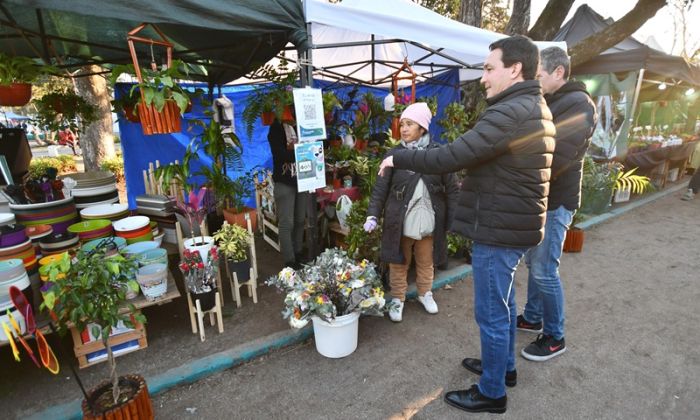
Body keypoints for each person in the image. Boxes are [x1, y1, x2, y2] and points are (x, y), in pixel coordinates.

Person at [378, 35, 555, 414]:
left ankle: (492, 392)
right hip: (510, 224)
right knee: (504, 306)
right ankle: (502, 368)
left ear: (515, 69)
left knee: (492, 312)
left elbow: (454, 155)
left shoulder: (511, 112)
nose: (483, 78)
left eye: (489, 69)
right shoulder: (529, 106)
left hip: (499, 227)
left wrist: (400, 158)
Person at [516, 47, 597, 362]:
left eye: (539, 75)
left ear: (559, 72)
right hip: (541, 199)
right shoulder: (552, 101)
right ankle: (533, 316)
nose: (535, 82)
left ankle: (555, 336)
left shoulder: (578, 105)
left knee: (545, 270)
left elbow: (557, 156)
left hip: (556, 200)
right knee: (534, 265)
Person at [364, 102, 458, 322]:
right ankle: (397, 298)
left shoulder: (438, 154)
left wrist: (454, 220)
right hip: (400, 222)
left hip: (429, 222)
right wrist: (372, 215)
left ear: (422, 128)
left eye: (409, 124)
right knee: (399, 261)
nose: (403, 129)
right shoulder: (393, 155)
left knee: (427, 261)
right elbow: (380, 189)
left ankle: (425, 293)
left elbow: (453, 189)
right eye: (402, 124)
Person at [267, 118, 308, 269]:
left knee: (299, 219)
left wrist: (302, 150)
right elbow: (280, 155)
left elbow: (313, 146)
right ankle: (290, 260)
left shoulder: (301, 126)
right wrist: (304, 151)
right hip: (284, 181)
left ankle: (298, 252)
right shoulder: (276, 129)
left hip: (302, 178)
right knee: (287, 223)